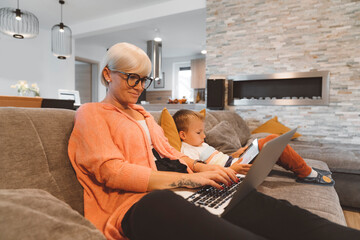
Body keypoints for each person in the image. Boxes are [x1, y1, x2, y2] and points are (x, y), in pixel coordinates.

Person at [68, 42, 360, 240]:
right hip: (138, 205)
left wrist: (201, 170)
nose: (140, 87)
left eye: (145, 80)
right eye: (133, 78)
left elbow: (172, 154)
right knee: (165, 203)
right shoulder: (91, 113)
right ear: (108, 74)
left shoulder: (143, 115)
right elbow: (112, 171)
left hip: (182, 192)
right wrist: (186, 181)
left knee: (284, 215)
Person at [172, 109, 334, 186]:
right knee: (270, 142)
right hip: (233, 171)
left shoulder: (200, 143)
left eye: (203, 131)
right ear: (183, 135)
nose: (204, 136)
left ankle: (304, 169)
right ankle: (307, 173)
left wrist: (238, 152)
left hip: (235, 161)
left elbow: (218, 156)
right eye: (199, 132)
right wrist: (234, 167)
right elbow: (201, 171)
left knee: (269, 142)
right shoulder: (186, 151)